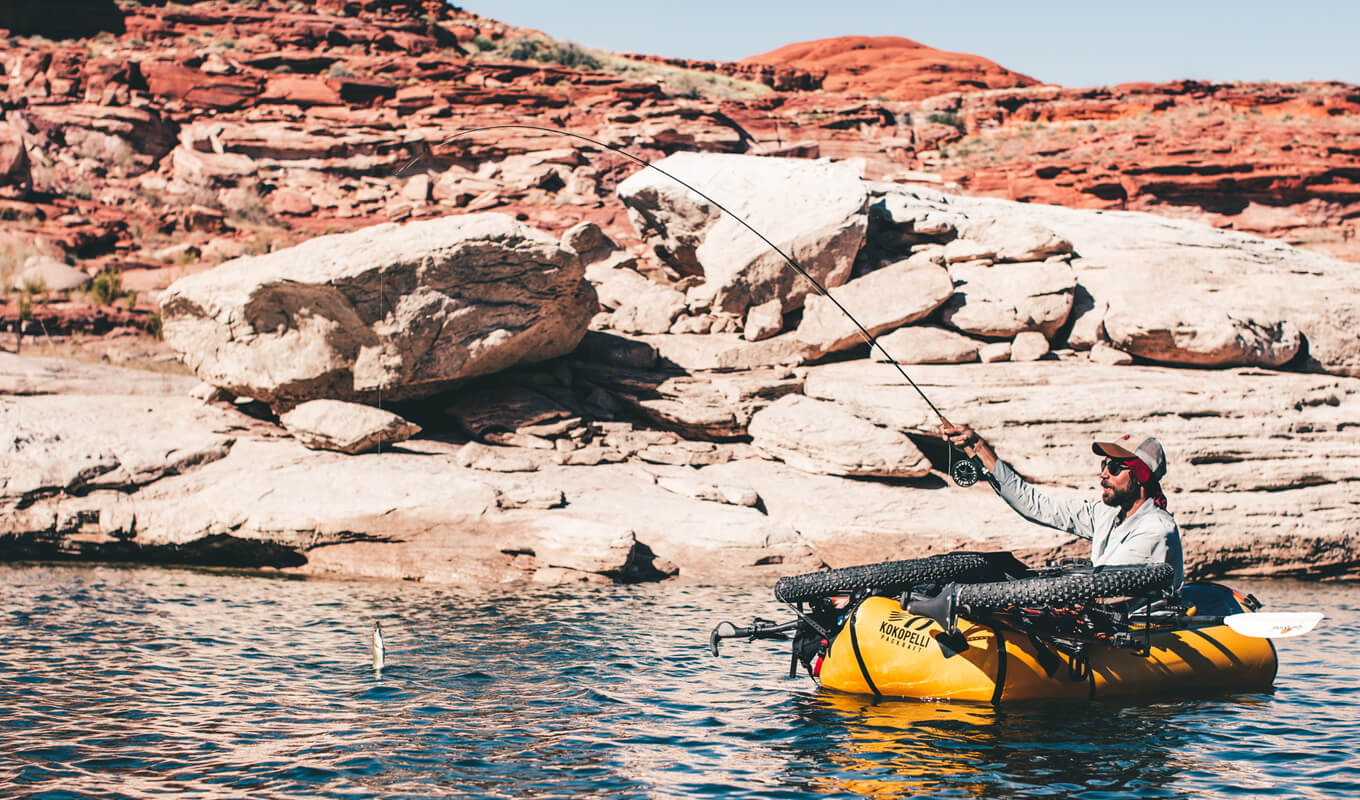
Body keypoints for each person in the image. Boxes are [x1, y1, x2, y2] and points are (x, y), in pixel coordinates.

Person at [941, 423, 1184, 590]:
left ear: (1141, 476)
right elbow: (1035, 505)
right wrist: (979, 447)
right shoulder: (1107, 514)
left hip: (1137, 635)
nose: (1103, 474)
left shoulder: (1156, 530)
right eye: (1104, 464)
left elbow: (1105, 588)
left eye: (1115, 468)